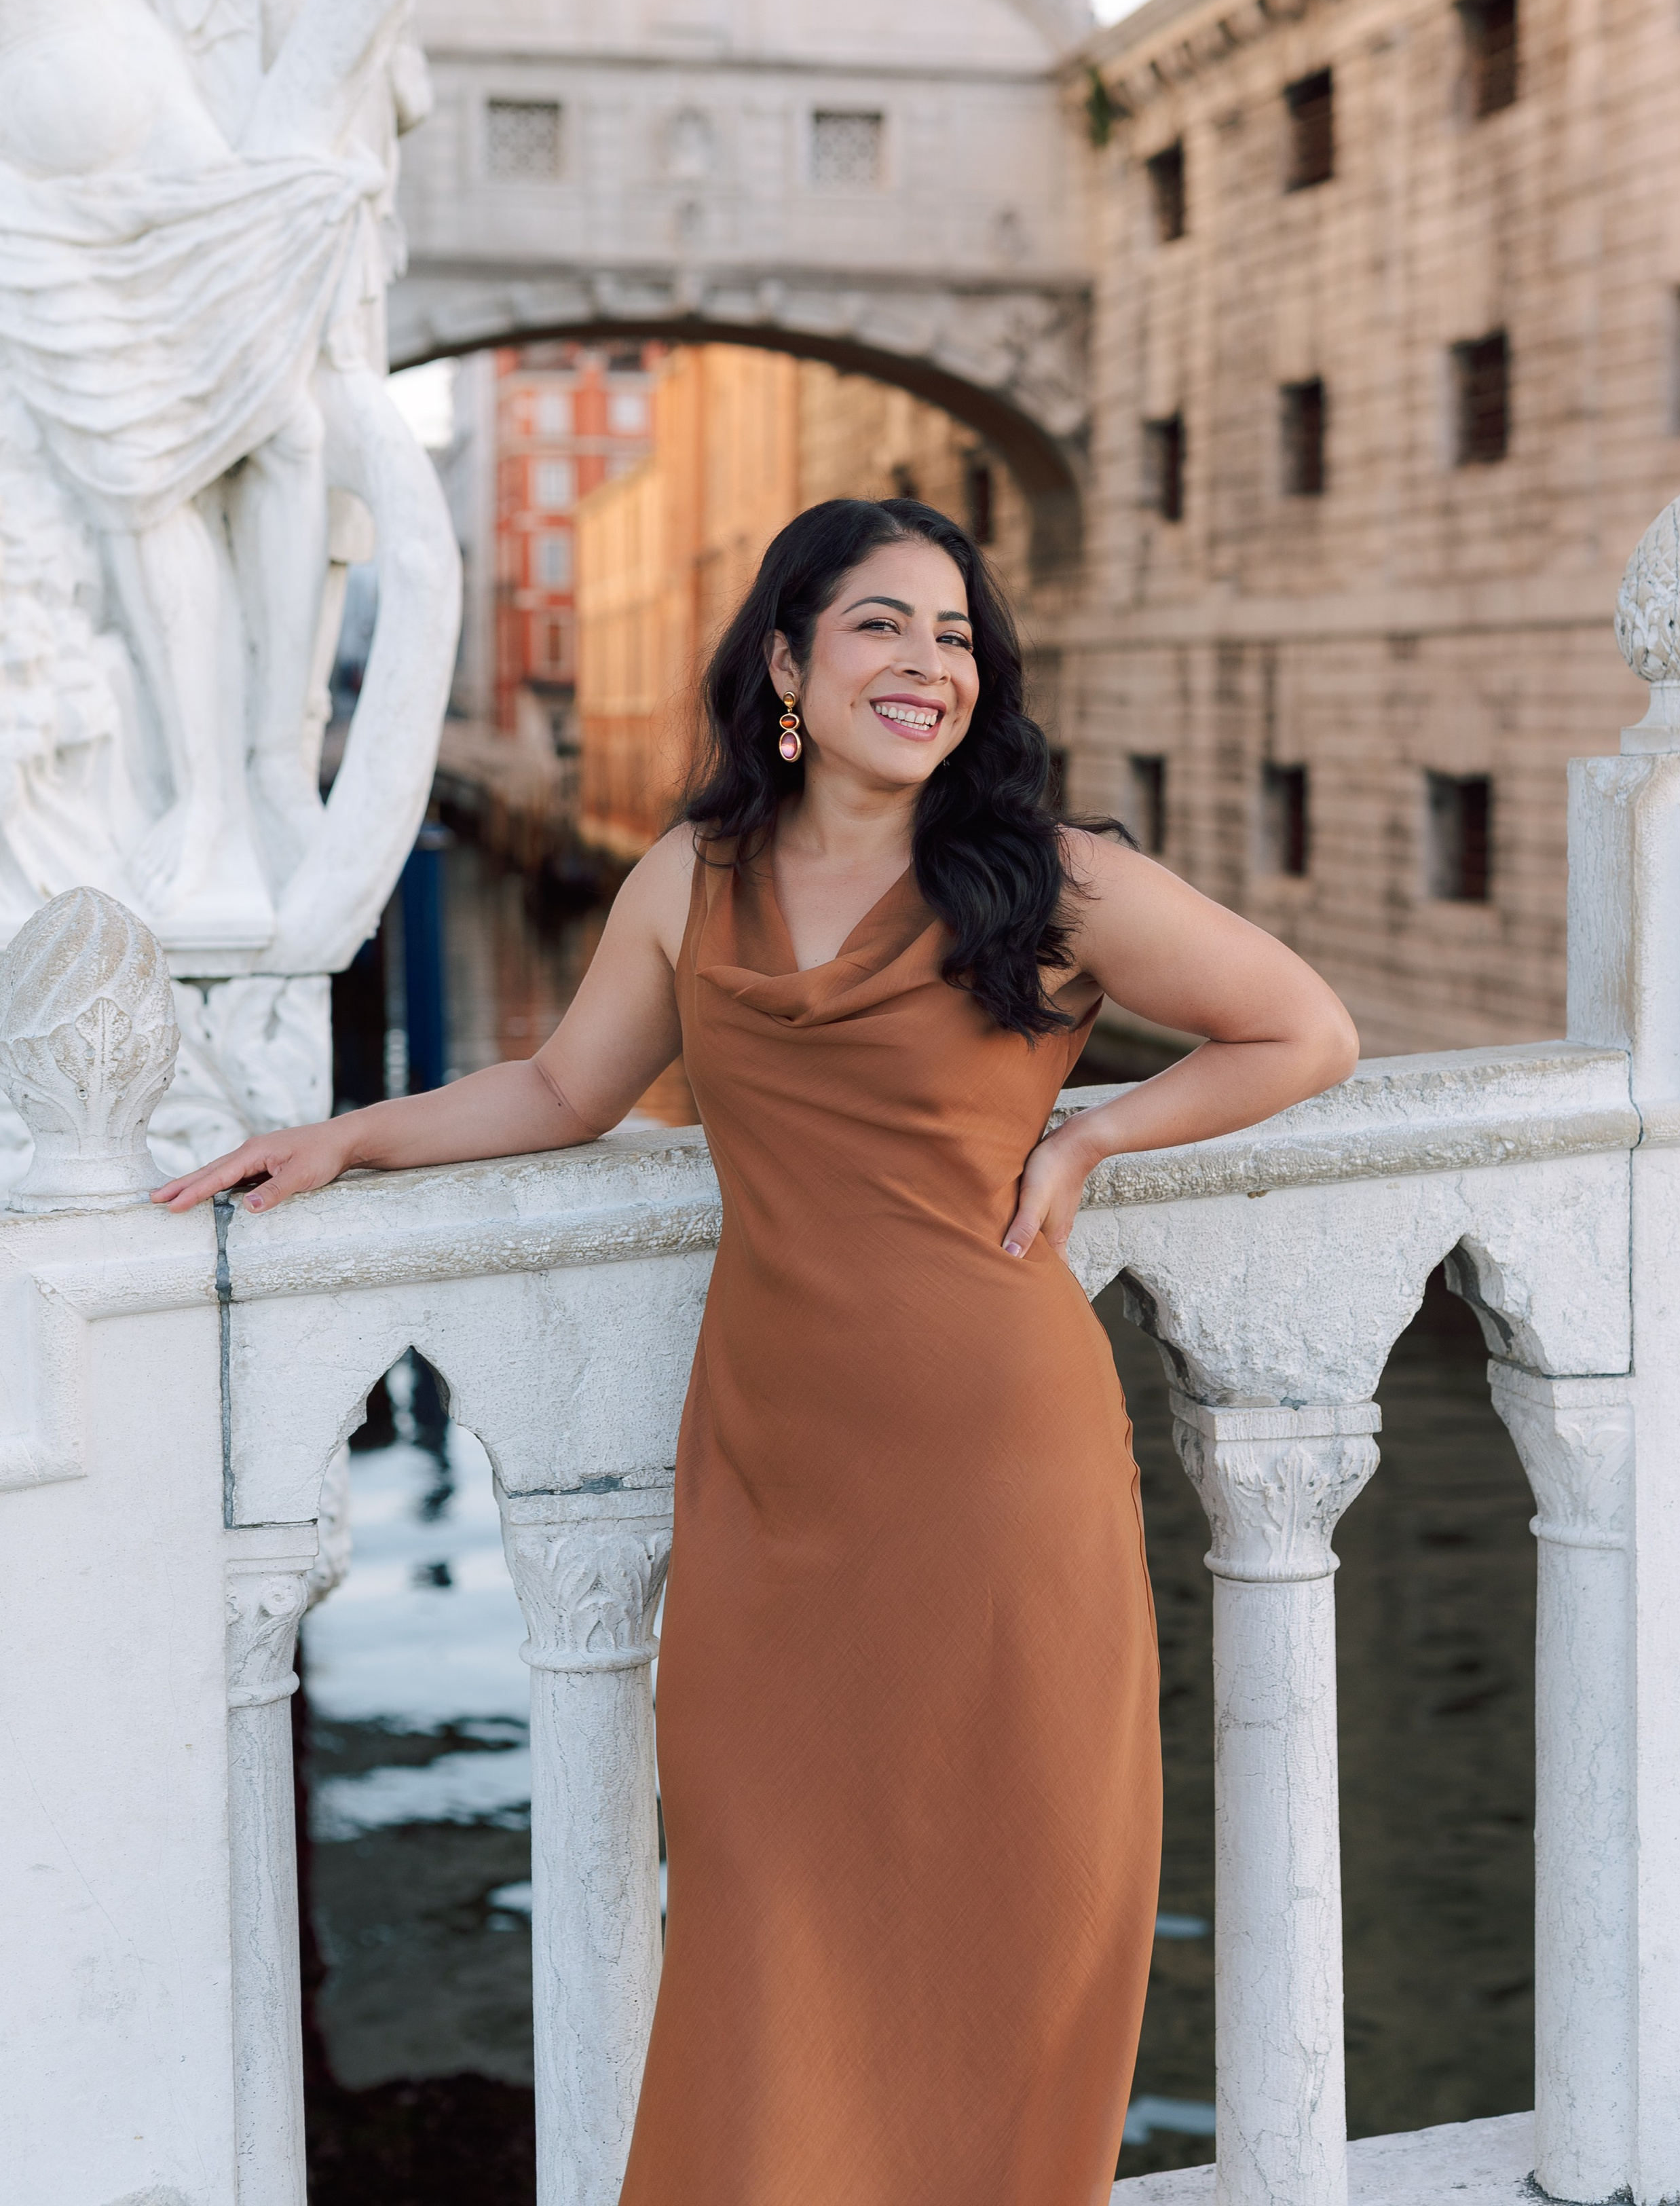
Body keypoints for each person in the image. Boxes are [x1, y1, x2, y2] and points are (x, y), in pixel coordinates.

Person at [158, 494, 1359, 2206]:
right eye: (882, 624)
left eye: (955, 637)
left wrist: (1090, 1134)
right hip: (776, 1482)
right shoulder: (688, 878)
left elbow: (1302, 1029)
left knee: (1008, 1913)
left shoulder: (1049, 879)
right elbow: (567, 1092)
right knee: (763, 1912)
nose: (925, 664)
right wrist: (348, 1137)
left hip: (998, 1468)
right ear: (787, 662)